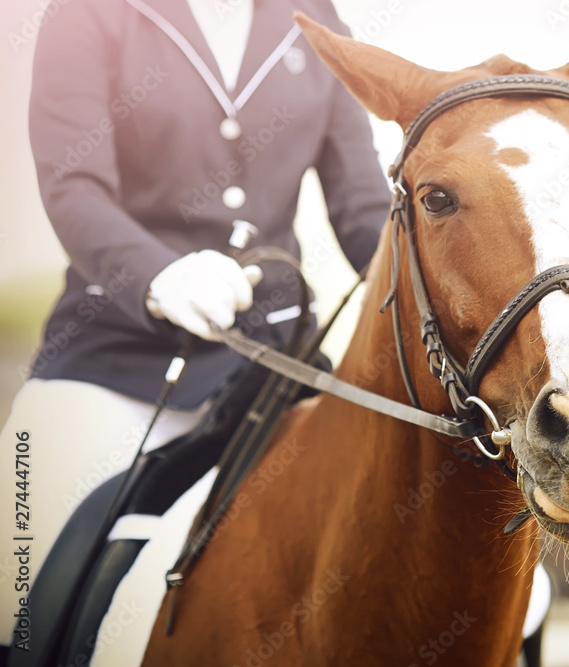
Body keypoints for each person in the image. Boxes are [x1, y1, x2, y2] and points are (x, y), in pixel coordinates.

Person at [0, 0, 390, 658]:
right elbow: (73, 186)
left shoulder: (313, 19)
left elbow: (362, 210)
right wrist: (158, 276)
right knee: (19, 554)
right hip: (119, 356)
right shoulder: (89, 15)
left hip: (275, 364)